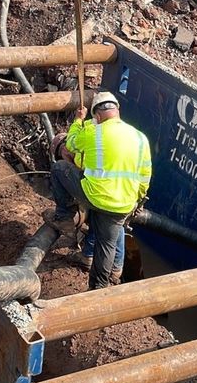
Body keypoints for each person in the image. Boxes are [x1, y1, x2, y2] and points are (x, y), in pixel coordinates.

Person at [45, 91, 151, 290]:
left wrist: (78, 120)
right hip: (124, 203)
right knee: (107, 245)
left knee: (59, 168)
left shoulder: (95, 132)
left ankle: (65, 217)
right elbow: (145, 175)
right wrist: (137, 199)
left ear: (98, 116)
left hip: (96, 196)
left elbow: (71, 143)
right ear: (117, 111)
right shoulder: (140, 138)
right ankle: (99, 288)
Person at [50, 132, 124, 277]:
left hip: (106, 195)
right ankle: (115, 267)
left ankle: (87, 254)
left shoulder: (83, 153)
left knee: (100, 213)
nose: (64, 157)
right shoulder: (101, 145)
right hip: (123, 193)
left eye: (61, 154)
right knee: (114, 222)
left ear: (64, 149)